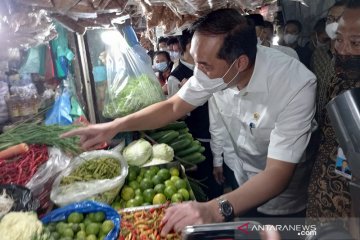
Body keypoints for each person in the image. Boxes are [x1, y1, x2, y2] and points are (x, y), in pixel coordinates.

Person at [62, 8, 316, 235]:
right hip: (241, 179)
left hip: (281, 198)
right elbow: (173, 106)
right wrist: (114, 126)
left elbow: (277, 174)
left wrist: (215, 209)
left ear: (240, 63)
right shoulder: (217, 70)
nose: (198, 73)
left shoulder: (295, 85)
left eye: (204, 65)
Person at [307, 0, 360, 225]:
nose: (343, 49)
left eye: (356, 42)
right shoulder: (340, 75)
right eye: (338, 39)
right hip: (326, 183)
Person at [169, 29, 223, 200]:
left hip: (219, 135)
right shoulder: (175, 77)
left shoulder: (210, 70)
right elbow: (175, 115)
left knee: (219, 181)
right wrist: (188, 100)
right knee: (205, 181)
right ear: (189, 46)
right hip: (199, 138)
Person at [313, 1, 346, 127]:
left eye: (340, 19)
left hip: (347, 130)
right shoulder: (318, 54)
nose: (333, 23)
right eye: (330, 19)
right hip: (318, 126)